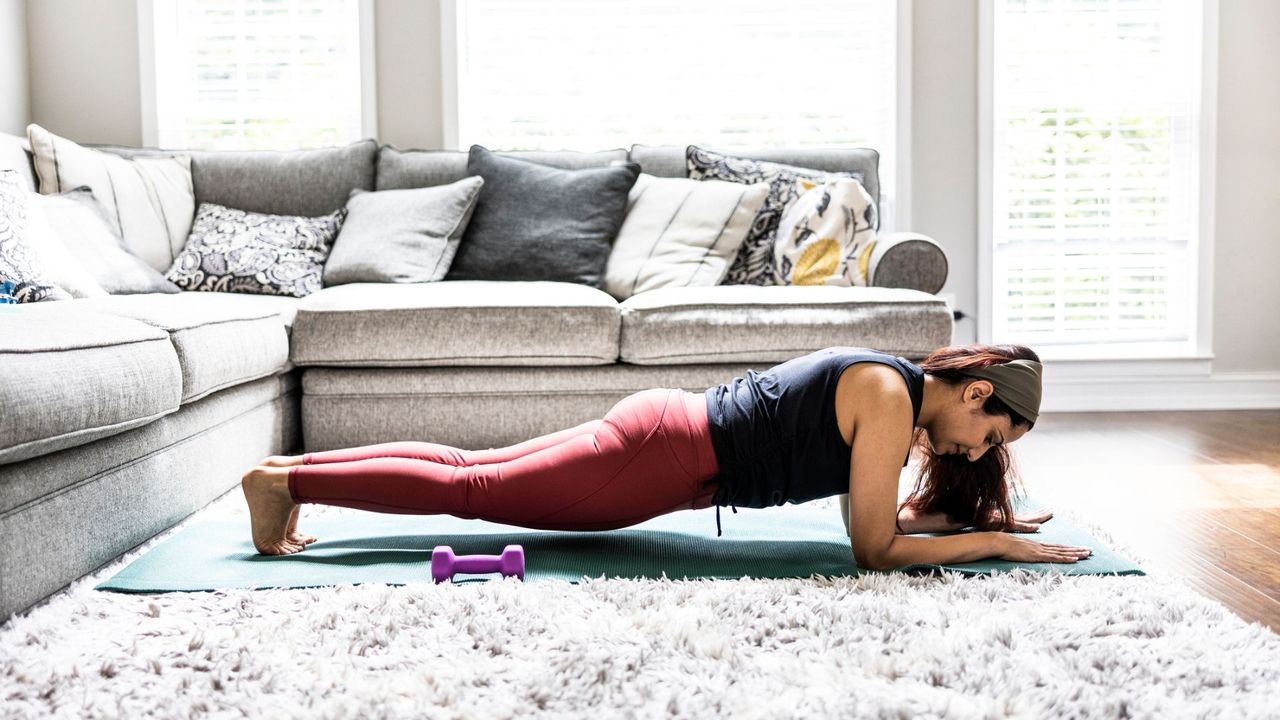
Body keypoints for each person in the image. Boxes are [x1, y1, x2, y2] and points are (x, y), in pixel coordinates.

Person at [241, 343, 1092, 569]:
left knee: (471, 469)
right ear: (978, 395)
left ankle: (292, 479)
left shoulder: (890, 387)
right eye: (988, 438)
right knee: (476, 491)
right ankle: (285, 483)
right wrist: (997, 543)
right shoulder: (885, 397)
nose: (974, 450)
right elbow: (873, 550)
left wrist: (969, 515)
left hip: (660, 431)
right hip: (660, 461)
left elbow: (882, 518)